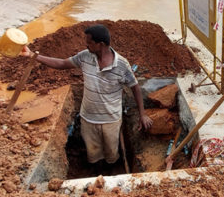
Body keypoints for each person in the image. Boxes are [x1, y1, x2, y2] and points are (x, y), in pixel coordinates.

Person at [20, 24, 152, 166]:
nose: (86, 45)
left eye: (89, 42)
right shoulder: (85, 56)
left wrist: (142, 114)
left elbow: (135, 88)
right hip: (88, 119)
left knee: (111, 154)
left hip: (111, 120)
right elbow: (62, 63)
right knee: (93, 153)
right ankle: (96, 172)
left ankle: (110, 174)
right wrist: (33, 55)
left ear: (100, 44)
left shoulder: (121, 65)